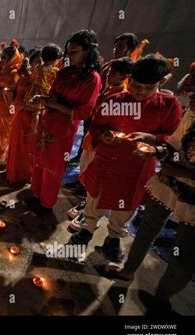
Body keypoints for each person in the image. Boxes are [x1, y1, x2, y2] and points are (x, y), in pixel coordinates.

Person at [69, 55, 183, 263]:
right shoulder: (114, 101)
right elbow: (96, 127)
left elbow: (173, 138)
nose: (139, 92)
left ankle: (113, 237)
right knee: (95, 197)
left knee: (127, 205)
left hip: (137, 167)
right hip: (107, 161)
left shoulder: (168, 105)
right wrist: (104, 135)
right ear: (129, 79)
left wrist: (150, 139)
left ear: (160, 83)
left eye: (147, 88)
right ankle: (87, 229)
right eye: (135, 85)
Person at [102, 68, 194, 313]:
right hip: (168, 181)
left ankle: (161, 299)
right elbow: (174, 145)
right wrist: (155, 149)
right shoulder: (192, 114)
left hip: (191, 195)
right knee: (148, 228)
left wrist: (184, 173)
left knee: (184, 252)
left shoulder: (168, 104)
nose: (191, 102)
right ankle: (128, 270)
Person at [26, 30, 102, 214]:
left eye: (74, 52)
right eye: (68, 52)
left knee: (53, 166)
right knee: (40, 162)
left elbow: (83, 112)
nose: (69, 56)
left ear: (87, 52)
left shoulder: (92, 79)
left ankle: (46, 203)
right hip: (48, 121)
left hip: (64, 129)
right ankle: (35, 194)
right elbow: (52, 96)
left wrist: (55, 104)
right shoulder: (64, 72)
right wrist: (42, 99)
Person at [68, 57, 134, 221]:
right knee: (85, 173)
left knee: (96, 179)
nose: (108, 75)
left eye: (113, 73)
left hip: (101, 145)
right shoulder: (107, 90)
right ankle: (86, 204)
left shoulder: (121, 97)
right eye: (109, 71)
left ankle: (90, 212)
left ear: (124, 77)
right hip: (91, 139)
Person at [6, 50, 43, 184]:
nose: (40, 64)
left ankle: (23, 174)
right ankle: (13, 171)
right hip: (19, 113)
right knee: (16, 144)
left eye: (43, 61)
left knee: (27, 147)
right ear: (31, 63)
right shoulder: (25, 77)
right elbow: (17, 93)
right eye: (37, 61)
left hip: (32, 117)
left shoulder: (44, 81)